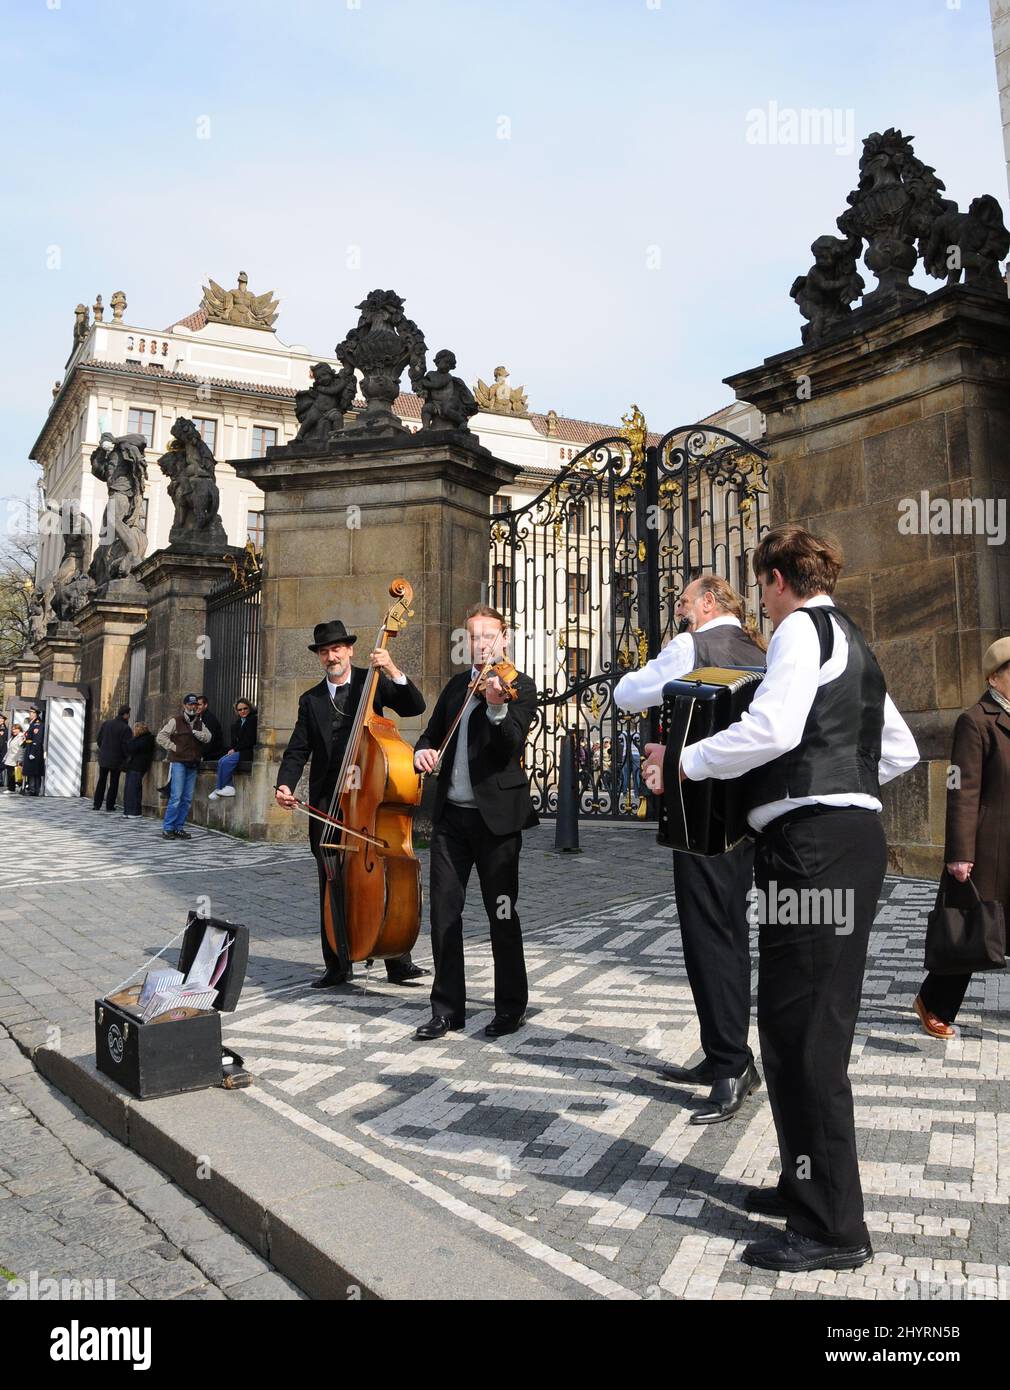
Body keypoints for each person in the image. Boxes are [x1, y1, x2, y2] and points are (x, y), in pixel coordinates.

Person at [662, 526, 918, 1274]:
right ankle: (804, 1182)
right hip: (838, 845)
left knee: (803, 1032)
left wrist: (689, 761)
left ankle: (832, 1228)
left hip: (812, 851)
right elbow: (895, 749)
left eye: (762, 591)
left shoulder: (801, 630)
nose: (763, 609)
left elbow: (770, 727)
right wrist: (843, 790)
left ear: (774, 580)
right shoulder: (853, 639)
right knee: (795, 1021)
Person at [616, 574, 767, 1124]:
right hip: (750, 814)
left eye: (684, 605)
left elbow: (627, 694)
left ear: (707, 604)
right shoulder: (760, 650)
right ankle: (723, 1052)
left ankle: (730, 1064)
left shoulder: (692, 645)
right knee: (728, 932)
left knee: (708, 935)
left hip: (700, 815)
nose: (681, 615)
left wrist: (662, 663)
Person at [275, 619, 429, 988]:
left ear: (350, 650)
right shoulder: (310, 699)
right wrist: (284, 784)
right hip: (330, 804)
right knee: (331, 882)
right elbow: (298, 748)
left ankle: (396, 959)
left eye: (337, 649)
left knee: (384, 875)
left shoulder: (370, 682)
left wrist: (391, 668)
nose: (332, 656)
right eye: (325, 651)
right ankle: (337, 964)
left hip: (371, 797)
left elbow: (414, 705)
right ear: (319, 657)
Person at [411, 604, 539, 1041]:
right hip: (451, 821)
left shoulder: (518, 686)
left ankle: (510, 1008)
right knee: (445, 912)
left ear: (503, 640)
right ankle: (447, 1010)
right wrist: (421, 752)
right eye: (473, 637)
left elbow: (511, 743)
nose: (480, 644)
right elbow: (430, 734)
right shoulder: (454, 687)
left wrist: (498, 708)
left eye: (488, 637)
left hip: (497, 823)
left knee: (501, 913)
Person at [914, 636, 1010, 1037]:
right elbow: (960, 789)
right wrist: (959, 852)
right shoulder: (976, 721)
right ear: (995, 676)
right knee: (972, 929)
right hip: (989, 847)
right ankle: (933, 1001)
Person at [157, 694, 210, 840]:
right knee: (176, 797)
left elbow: (208, 737)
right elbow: (161, 737)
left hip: (193, 763)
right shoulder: (176, 720)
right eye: (190, 704)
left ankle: (179, 828)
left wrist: (197, 734)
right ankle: (168, 828)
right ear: (184, 705)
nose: (193, 707)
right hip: (179, 762)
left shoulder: (200, 722)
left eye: (195, 705)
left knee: (187, 798)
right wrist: (174, 747)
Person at [209, 700, 257, 800]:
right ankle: (223, 787)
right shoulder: (236, 724)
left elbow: (250, 740)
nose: (243, 711)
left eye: (245, 708)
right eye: (240, 709)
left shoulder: (253, 720)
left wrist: (234, 749)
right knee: (222, 760)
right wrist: (232, 749)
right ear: (237, 711)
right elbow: (234, 743)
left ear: (249, 708)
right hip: (239, 750)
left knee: (226, 761)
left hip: (248, 751)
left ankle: (223, 788)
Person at [93, 705, 132, 812]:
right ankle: (110, 805)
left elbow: (99, 740)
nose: (128, 717)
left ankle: (97, 804)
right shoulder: (126, 728)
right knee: (114, 782)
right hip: (117, 759)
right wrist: (126, 757)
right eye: (128, 715)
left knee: (101, 781)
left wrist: (104, 750)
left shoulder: (106, 724)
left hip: (104, 757)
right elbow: (126, 746)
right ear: (125, 715)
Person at [123, 721, 156, 818]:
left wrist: (130, 742)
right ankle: (128, 810)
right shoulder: (139, 739)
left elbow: (131, 747)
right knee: (129, 789)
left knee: (134, 789)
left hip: (138, 766)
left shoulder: (146, 739)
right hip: (133, 766)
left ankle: (135, 811)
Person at [22, 707, 45, 796]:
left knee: (34, 771)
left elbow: (37, 739)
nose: (30, 714)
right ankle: (33, 789)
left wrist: (32, 752)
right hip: (30, 748)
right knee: (31, 771)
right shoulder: (33, 724)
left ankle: (34, 790)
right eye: (30, 712)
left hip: (34, 750)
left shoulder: (38, 724)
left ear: (36, 714)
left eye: (32, 712)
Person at [195, 696, 225, 762]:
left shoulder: (210, 719)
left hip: (213, 755)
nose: (197, 707)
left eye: (199, 704)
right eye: (196, 704)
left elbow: (210, 740)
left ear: (205, 705)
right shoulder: (198, 717)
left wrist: (201, 755)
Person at [4, 724, 24, 793]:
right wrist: (5, 757)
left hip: (15, 758)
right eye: (13, 729)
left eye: (16, 729)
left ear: (19, 729)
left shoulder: (21, 737)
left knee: (15, 774)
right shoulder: (13, 737)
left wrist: (20, 759)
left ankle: (15, 787)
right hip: (10, 758)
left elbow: (22, 749)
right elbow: (9, 748)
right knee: (11, 774)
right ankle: (11, 788)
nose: (14, 730)